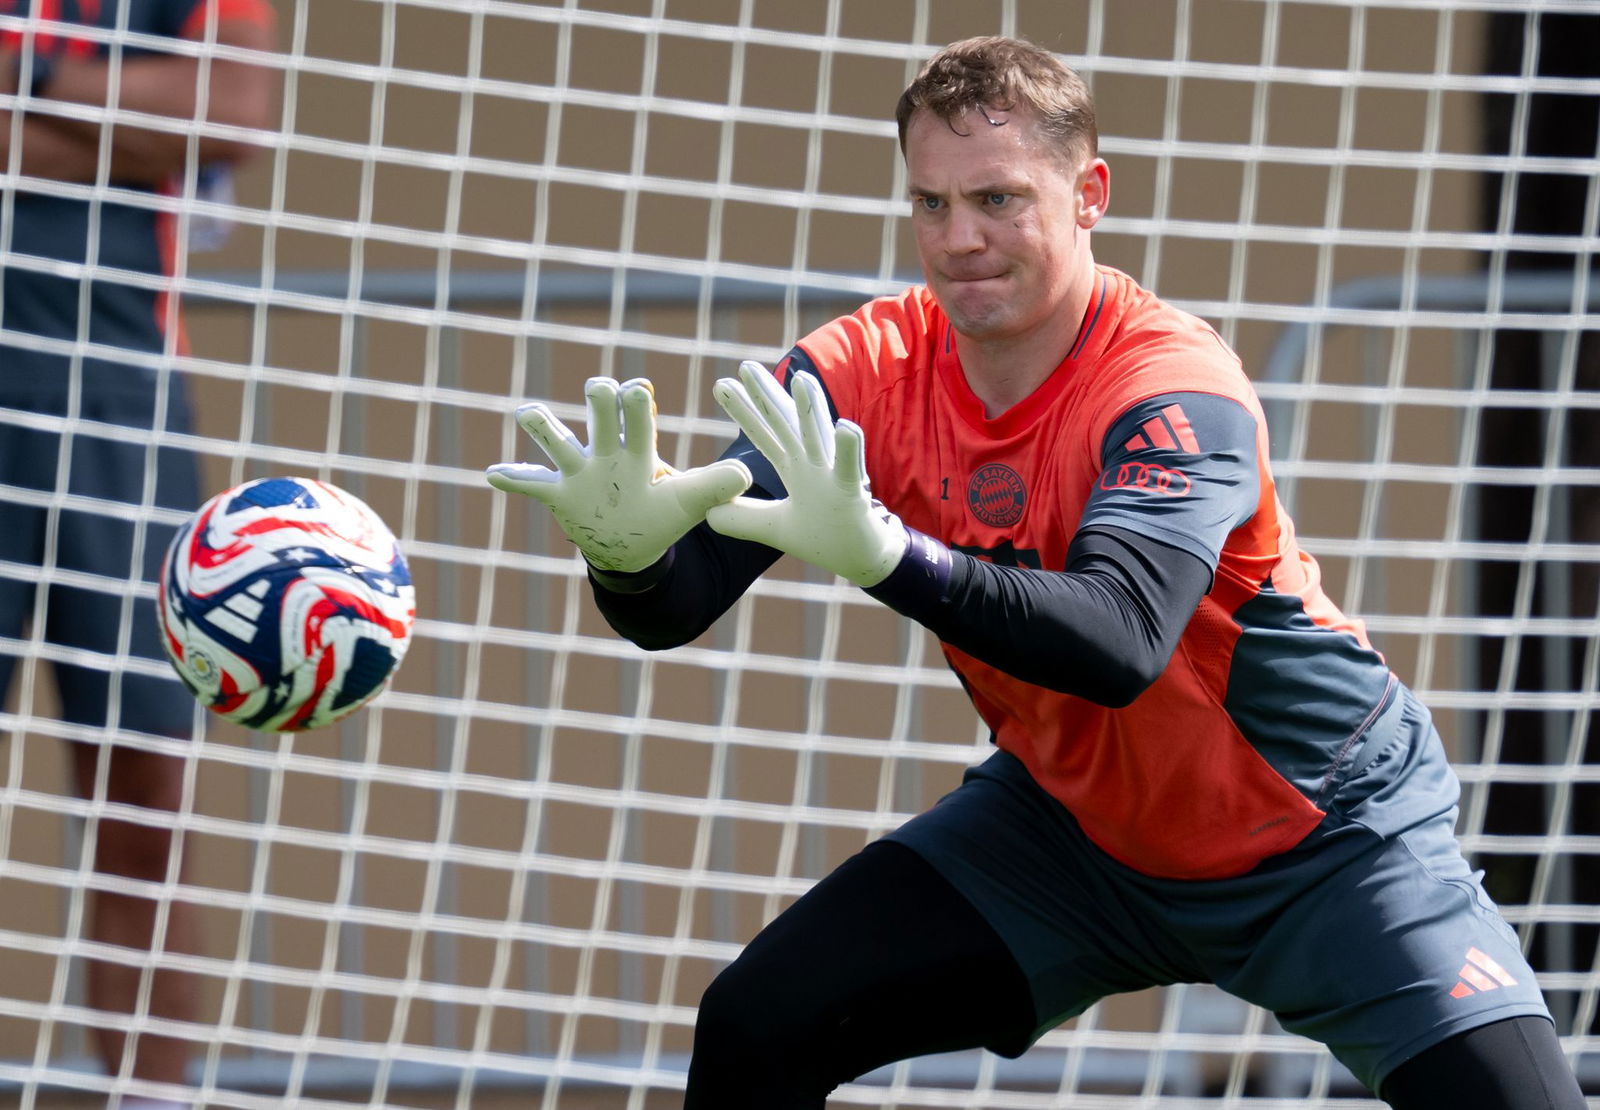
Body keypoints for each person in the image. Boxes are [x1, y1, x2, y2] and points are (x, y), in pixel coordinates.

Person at [487, 36, 1587, 1110]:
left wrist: (888, 557)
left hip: (1324, 837)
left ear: (1089, 193)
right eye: (931, 203)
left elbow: (1119, 641)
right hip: (1071, 834)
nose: (959, 238)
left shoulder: (1171, 382)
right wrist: (626, 556)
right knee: (757, 1025)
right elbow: (676, 606)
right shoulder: (862, 369)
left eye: (998, 199)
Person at [0, 2, 274, 1106]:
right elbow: (170, 120)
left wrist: (26, 83)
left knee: (145, 803)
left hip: (123, 395)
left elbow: (229, 110)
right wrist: (122, 119)